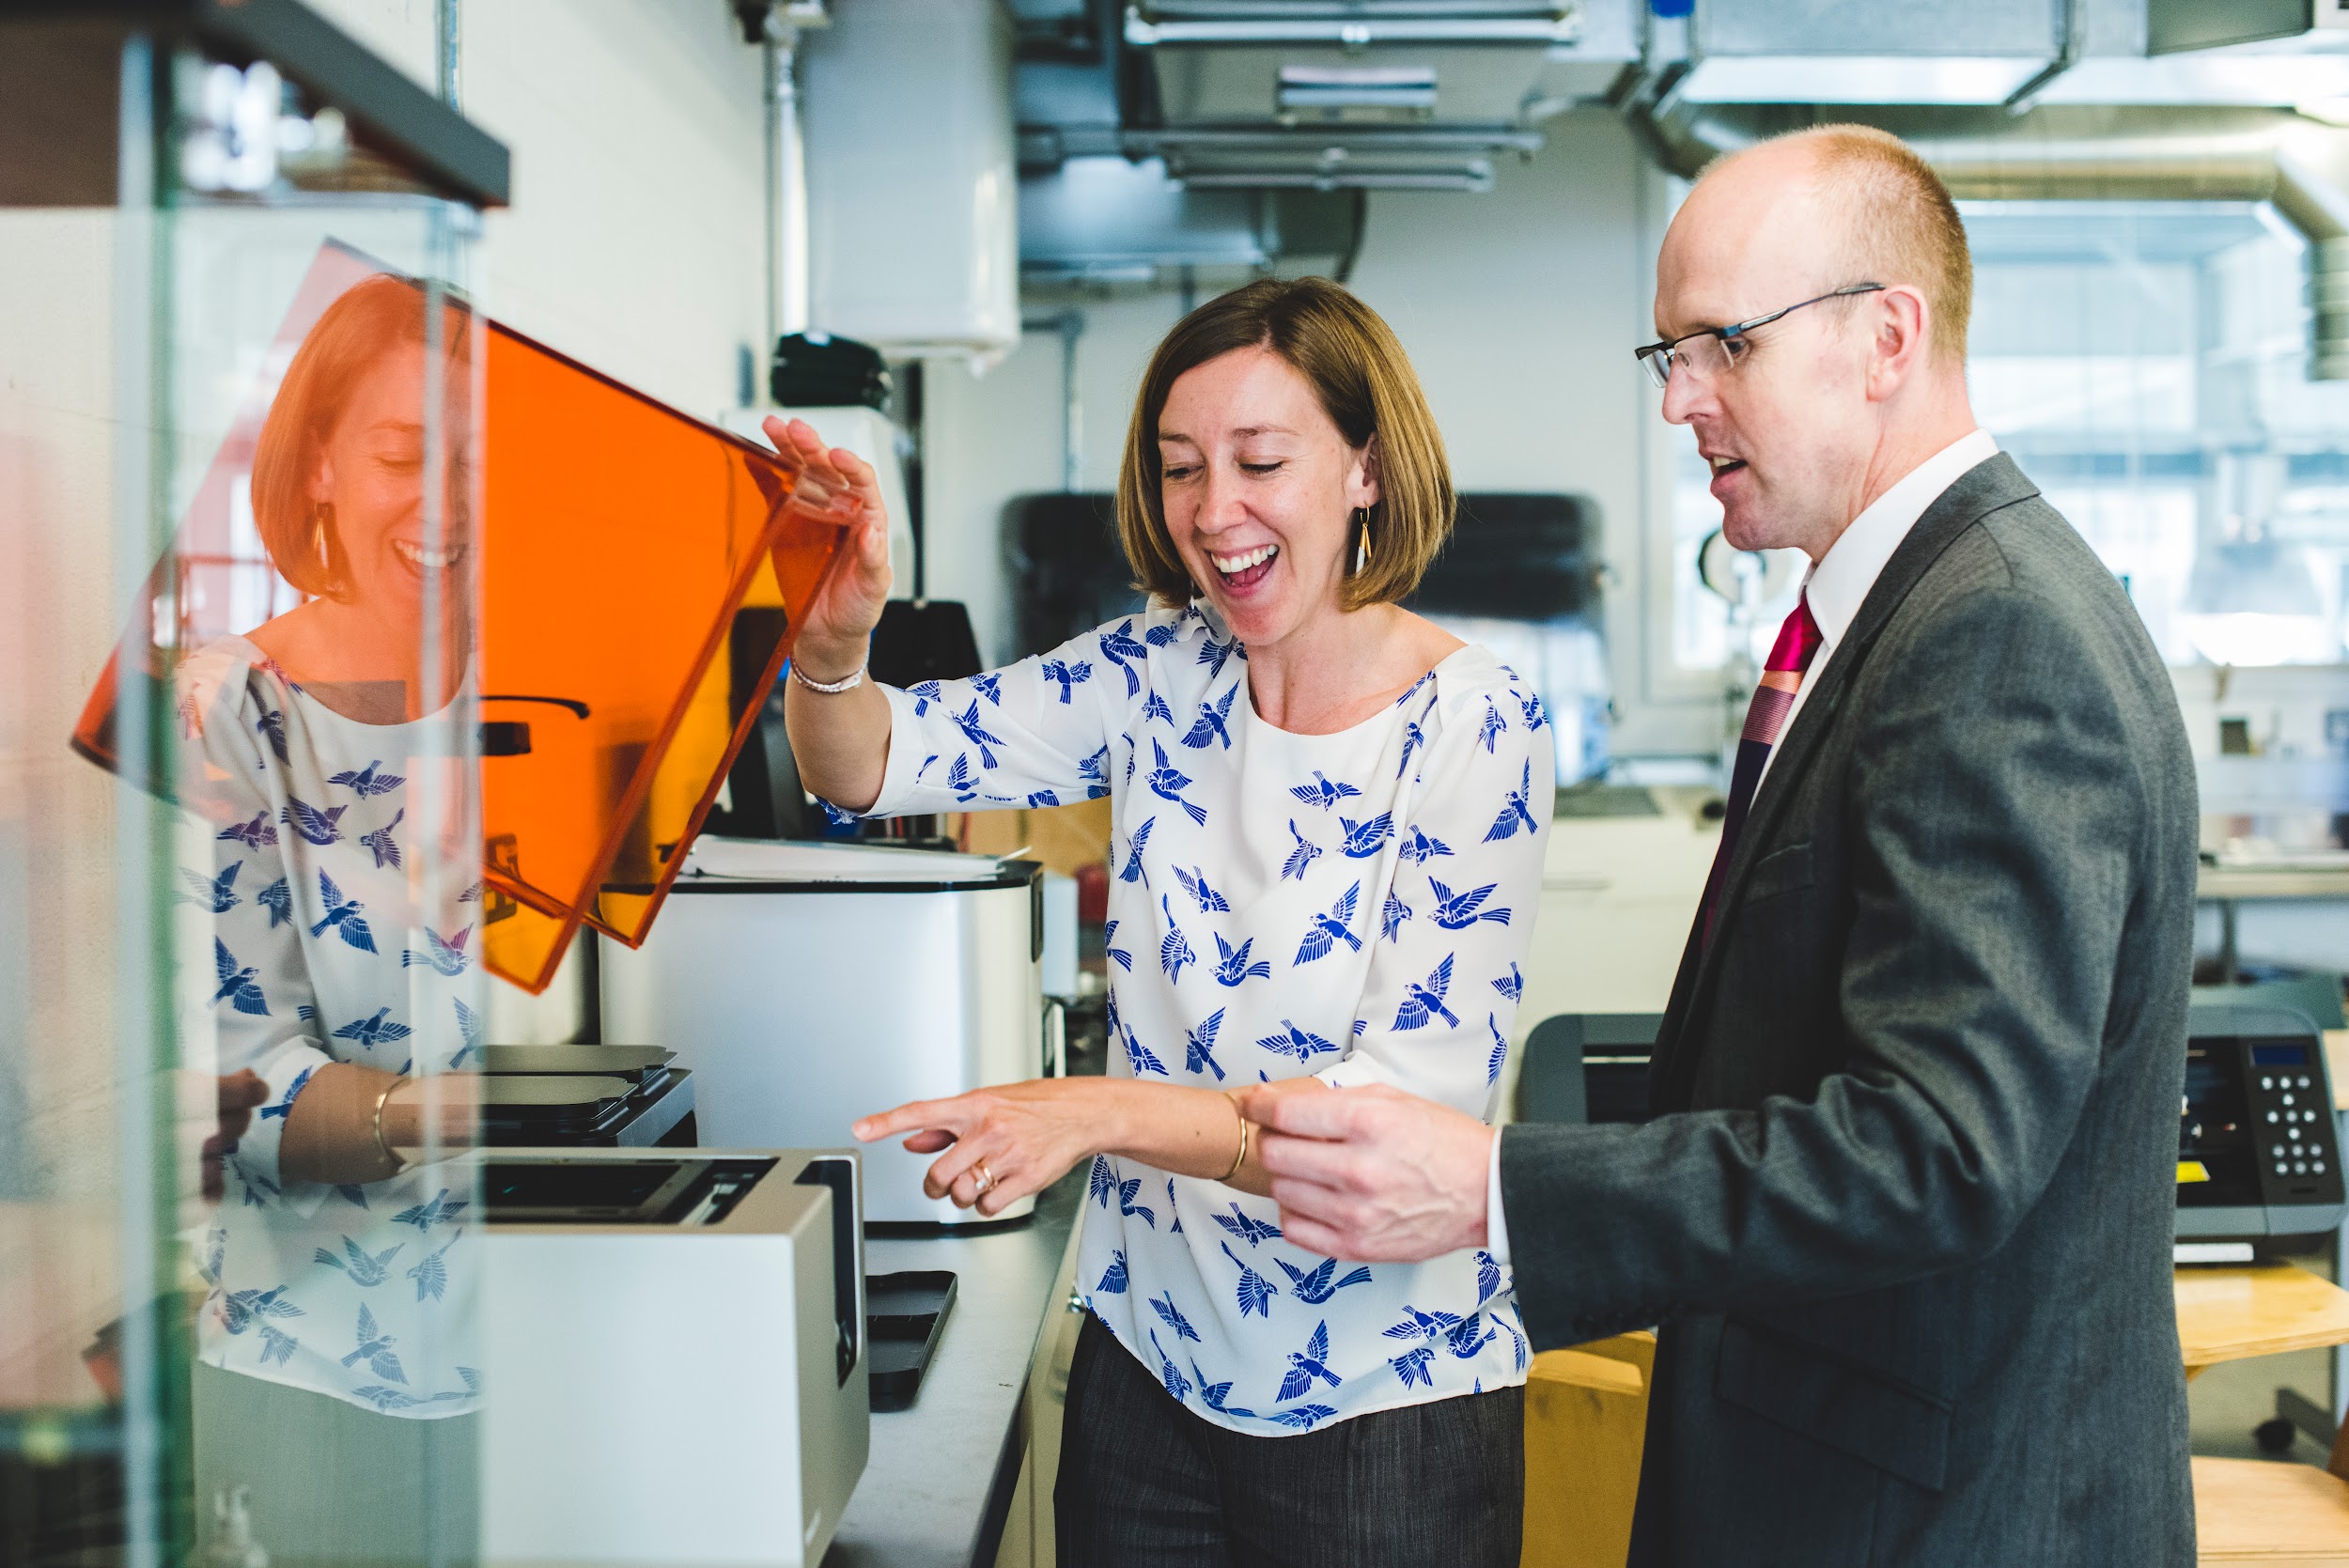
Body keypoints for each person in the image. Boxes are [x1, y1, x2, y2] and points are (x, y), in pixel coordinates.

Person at [1239, 126, 2200, 1566]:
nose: (1681, 400)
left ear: (1887, 338)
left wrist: (1496, 1189)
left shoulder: (1995, 635)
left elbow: (1938, 1148)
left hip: (1940, 1514)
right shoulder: (1907, 613)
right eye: (1666, 355)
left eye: (1721, 345)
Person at [783, 277, 1553, 1566]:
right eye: (1182, 466)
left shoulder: (1475, 723)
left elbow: (1383, 1139)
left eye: (1262, 460)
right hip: (1152, 1364)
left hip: (1386, 1399)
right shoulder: (1157, 669)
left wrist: (1090, 1111)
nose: (1214, 511)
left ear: (1366, 470)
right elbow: (866, 762)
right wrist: (830, 646)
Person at [172, 273, 486, 1562]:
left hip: (557, 1349)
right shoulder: (231, 718)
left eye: (479, 461)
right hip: (312, 1382)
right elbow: (223, 1095)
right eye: (405, 456)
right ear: (315, 469)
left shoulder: (562, 699)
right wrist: (466, 1114)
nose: (448, 504)